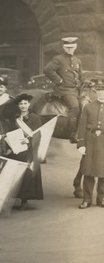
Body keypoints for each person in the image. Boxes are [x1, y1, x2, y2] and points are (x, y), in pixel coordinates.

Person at [44, 37, 84, 197]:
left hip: (76, 89)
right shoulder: (58, 59)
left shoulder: (77, 59)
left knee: (86, 103)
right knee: (75, 106)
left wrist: (85, 83)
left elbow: (80, 75)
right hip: (64, 91)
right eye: (67, 47)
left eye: (72, 46)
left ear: (75, 46)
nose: (70, 48)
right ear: (64, 47)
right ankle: (74, 132)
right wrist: (58, 80)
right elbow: (47, 70)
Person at [7, 93, 44, 210]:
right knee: (16, 173)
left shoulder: (35, 118)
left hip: (29, 150)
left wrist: (29, 141)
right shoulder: (15, 119)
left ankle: (24, 199)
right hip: (17, 150)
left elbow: (38, 135)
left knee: (27, 173)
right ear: (18, 105)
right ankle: (15, 197)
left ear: (29, 104)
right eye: (21, 104)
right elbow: (10, 133)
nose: (23, 106)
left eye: (25, 103)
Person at [76, 78, 104, 209]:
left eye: (103, 90)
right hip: (90, 140)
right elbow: (81, 127)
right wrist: (81, 143)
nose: (100, 93)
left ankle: (102, 198)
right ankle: (87, 199)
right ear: (95, 92)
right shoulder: (88, 107)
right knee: (87, 170)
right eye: (98, 90)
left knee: (103, 171)